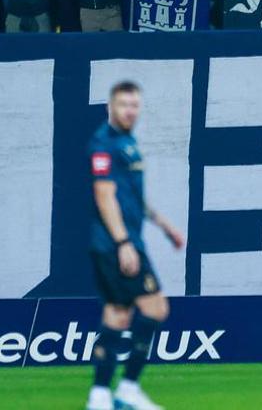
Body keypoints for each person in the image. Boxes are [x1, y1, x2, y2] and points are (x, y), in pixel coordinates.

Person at [86, 80, 185, 410]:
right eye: (123, 104)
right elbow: (104, 196)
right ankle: (125, 389)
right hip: (116, 243)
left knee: (118, 316)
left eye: (134, 105)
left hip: (123, 241)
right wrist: (123, 242)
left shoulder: (128, 143)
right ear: (110, 107)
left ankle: (101, 395)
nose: (129, 111)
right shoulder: (104, 144)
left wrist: (164, 225)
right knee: (155, 309)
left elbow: (132, 198)